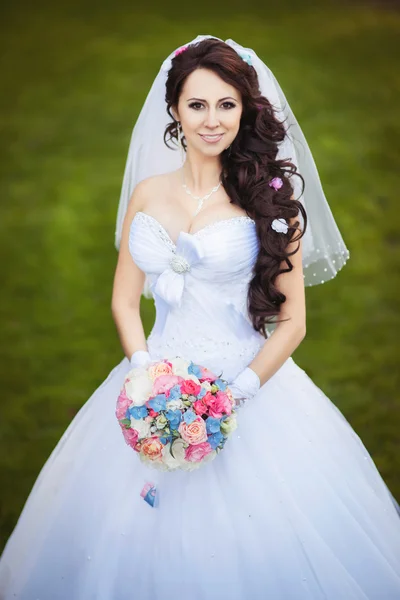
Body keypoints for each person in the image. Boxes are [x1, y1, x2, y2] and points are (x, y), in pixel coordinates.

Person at [0, 35, 399, 600]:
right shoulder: (146, 193)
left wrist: (232, 395)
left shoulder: (272, 200)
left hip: (246, 386)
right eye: (197, 105)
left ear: (246, 109)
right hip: (154, 378)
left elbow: (293, 323)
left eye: (227, 105)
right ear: (174, 111)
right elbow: (123, 299)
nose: (212, 121)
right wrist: (144, 374)